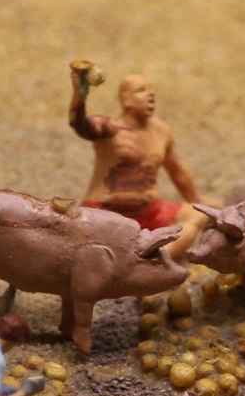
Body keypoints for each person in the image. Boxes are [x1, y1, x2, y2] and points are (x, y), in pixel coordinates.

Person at [67, 60, 215, 260]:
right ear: (125, 99)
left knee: (196, 215)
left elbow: (177, 170)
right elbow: (79, 124)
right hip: (106, 212)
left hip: (150, 211)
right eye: (141, 90)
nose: (150, 94)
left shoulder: (161, 131)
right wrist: (80, 95)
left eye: (151, 90)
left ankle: (157, 262)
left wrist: (198, 200)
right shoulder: (108, 128)